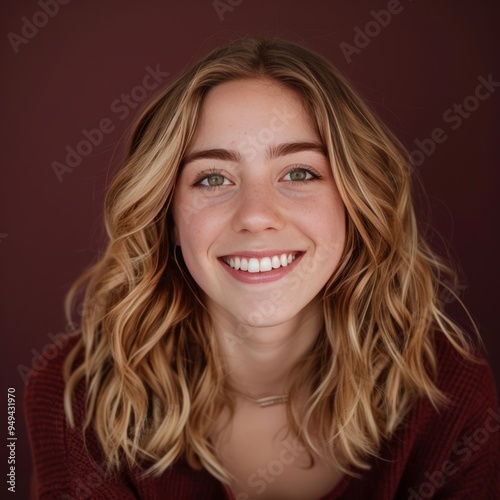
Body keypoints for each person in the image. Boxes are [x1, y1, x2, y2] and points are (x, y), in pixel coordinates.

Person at [25, 36, 499, 499]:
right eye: (212, 178)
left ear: (356, 201)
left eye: (298, 173)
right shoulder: (73, 396)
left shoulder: (454, 404)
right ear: (167, 215)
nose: (255, 215)